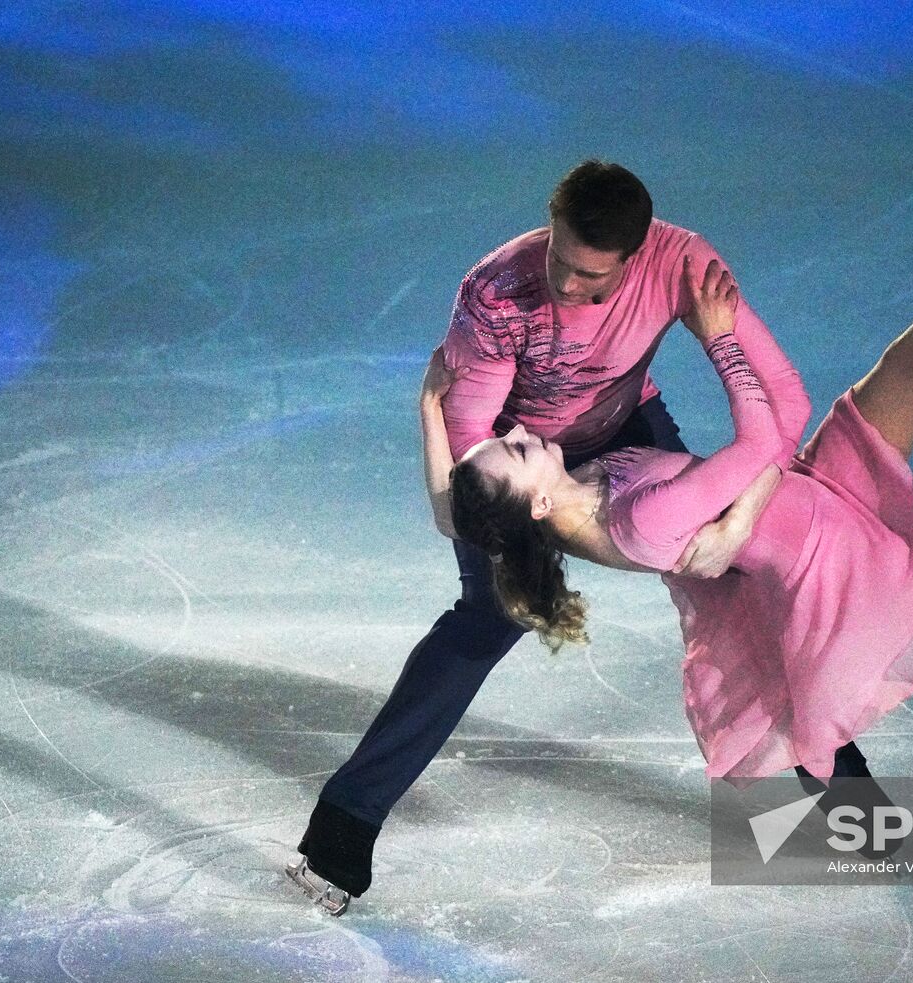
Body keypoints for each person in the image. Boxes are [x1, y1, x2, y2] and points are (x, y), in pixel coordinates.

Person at [429, 52, 913, 899]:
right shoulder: (638, 522)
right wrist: (720, 334)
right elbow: (767, 426)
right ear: (538, 498)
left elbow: (462, 513)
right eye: (513, 447)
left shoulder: (577, 487)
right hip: (836, 558)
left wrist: (430, 415)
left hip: (807, 486)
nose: (517, 430)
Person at [287, 158, 880, 915]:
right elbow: (475, 447)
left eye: (590, 278)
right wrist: (473, 498)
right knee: (488, 617)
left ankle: (844, 788)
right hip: (517, 455)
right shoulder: (496, 291)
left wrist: (735, 522)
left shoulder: (683, 263)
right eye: (559, 261)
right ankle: (340, 836)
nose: (566, 286)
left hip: (624, 436)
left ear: (634, 257)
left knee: (745, 575)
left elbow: (778, 402)